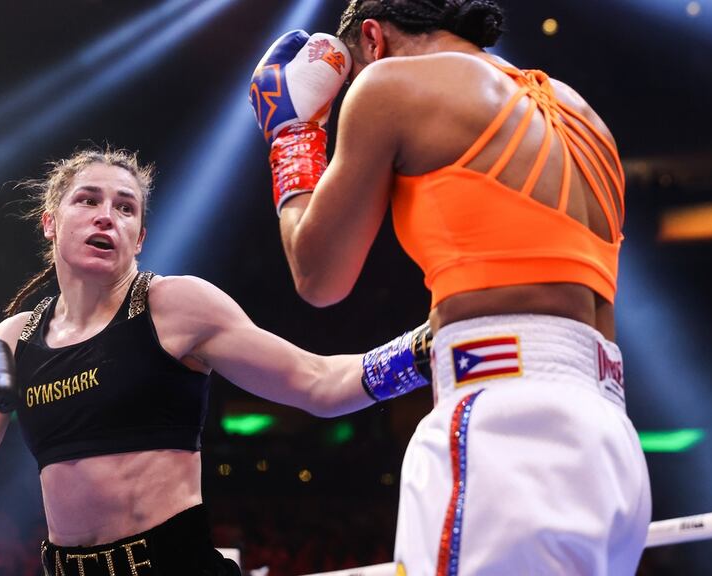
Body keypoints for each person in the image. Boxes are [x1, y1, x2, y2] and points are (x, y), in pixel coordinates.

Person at [248, 1, 651, 574]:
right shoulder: (581, 114)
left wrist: (292, 138)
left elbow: (318, 276)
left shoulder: (389, 83)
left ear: (372, 38)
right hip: (609, 439)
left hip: (507, 433)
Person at [0, 146, 433, 576]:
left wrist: (429, 345)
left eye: (125, 208)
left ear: (139, 238)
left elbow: (318, 383)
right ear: (50, 223)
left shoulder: (174, 306)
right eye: (88, 200)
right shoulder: (14, 339)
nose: (106, 215)